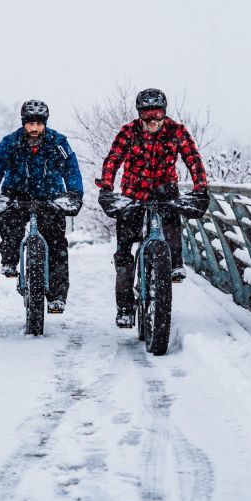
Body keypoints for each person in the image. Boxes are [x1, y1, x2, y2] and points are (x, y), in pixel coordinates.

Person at [96, 88, 208, 328]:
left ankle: (175, 264)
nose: (152, 120)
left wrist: (200, 187)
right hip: (133, 194)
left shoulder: (177, 132)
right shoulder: (128, 132)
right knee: (124, 251)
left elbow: (193, 160)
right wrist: (107, 186)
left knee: (171, 222)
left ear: (164, 113)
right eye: (146, 115)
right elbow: (113, 159)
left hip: (165, 191)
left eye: (157, 114)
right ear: (139, 115)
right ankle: (125, 308)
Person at [0, 100, 83, 314]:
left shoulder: (58, 142)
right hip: (17, 195)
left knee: (56, 246)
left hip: (50, 197)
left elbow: (71, 168)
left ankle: (56, 296)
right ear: (23, 123)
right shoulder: (10, 142)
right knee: (10, 228)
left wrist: (73, 193)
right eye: (30, 124)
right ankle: (9, 261)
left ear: (45, 123)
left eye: (38, 124)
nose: (34, 129)